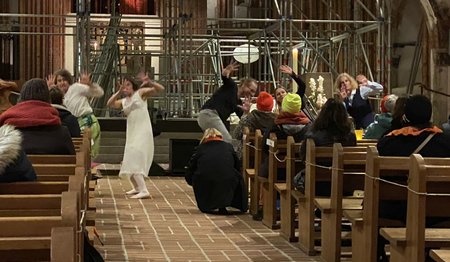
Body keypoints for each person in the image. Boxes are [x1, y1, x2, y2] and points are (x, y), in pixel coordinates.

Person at [376, 94, 450, 262]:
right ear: (429, 115)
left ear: (405, 116)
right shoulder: (446, 143)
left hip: (397, 209)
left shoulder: (388, 143)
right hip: (439, 210)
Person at [106, 73, 164, 199]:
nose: (125, 87)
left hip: (142, 131)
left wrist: (150, 82)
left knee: (135, 156)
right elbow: (109, 103)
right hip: (132, 132)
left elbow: (160, 89)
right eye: (124, 85)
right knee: (129, 158)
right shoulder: (124, 101)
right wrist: (118, 92)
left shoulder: (140, 94)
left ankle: (144, 190)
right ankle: (137, 187)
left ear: (133, 86)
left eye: (128, 85)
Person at [296, 97, 357, 195]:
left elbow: (303, 157)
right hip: (345, 185)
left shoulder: (313, 136)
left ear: (323, 114)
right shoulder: (351, 137)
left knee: (297, 179)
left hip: (318, 185)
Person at [0, 78, 75, 154]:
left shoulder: (5, 134)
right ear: (48, 100)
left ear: (21, 99)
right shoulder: (62, 134)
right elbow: (73, 160)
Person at [185, 128, 248, 214]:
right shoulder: (228, 146)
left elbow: (192, 167)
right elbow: (237, 165)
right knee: (234, 177)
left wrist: (190, 180)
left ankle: (208, 205)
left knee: (203, 177)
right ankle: (231, 204)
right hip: (227, 179)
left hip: (205, 179)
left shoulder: (201, 148)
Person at [197, 61, 256, 143]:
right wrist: (226, 71)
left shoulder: (238, 103)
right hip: (209, 114)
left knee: (214, 143)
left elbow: (243, 119)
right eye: (251, 90)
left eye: (254, 92)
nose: (252, 94)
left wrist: (246, 112)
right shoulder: (232, 86)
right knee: (226, 140)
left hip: (211, 117)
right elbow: (225, 76)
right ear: (244, 85)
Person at [49, 70, 103, 158]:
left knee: (89, 154)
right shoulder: (57, 96)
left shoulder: (76, 88)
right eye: (59, 81)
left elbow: (99, 93)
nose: (62, 83)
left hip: (88, 123)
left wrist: (89, 85)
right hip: (74, 125)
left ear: (69, 81)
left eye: (64, 80)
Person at [231, 91, 276, 159]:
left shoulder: (249, 117)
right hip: (271, 157)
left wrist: (245, 114)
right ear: (272, 106)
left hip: (249, 157)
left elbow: (236, 135)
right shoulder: (277, 120)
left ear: (257, 106)